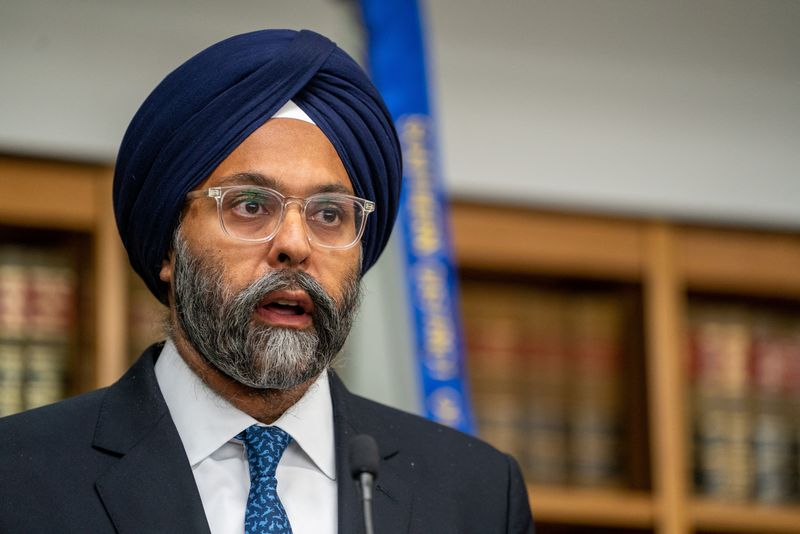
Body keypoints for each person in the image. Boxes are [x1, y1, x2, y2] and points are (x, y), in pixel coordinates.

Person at [0, 29, 533, 533]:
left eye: (330, 215)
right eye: (251, 205)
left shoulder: (477, 495)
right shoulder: (20, 478)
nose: (296, 245)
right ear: (168, 245)